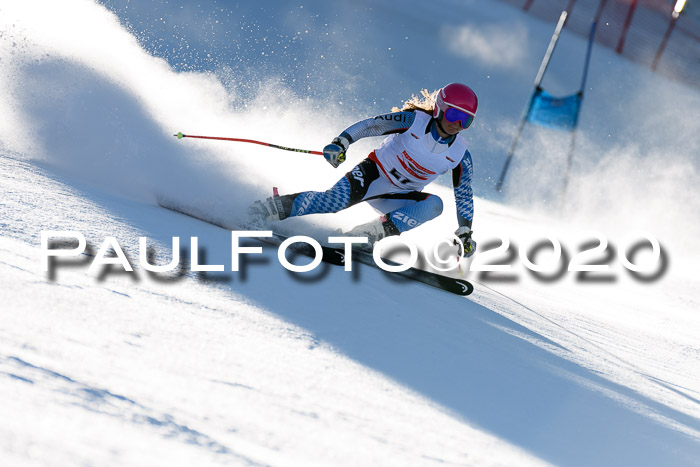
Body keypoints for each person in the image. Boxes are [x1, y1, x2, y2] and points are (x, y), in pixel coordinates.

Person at [249, 82, 478, 257]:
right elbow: (371, 125)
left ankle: (365, 235)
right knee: (333, 202)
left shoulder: (459, 154)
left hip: (398, 196)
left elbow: (464, 195)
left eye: (465, 120)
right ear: (440, 108)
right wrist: (342, 142)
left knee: (435, 204)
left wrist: (465, 231)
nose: (457, 124)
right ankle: (266, 210)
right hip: (374, 175)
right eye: (454, 115)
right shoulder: (413, 121)